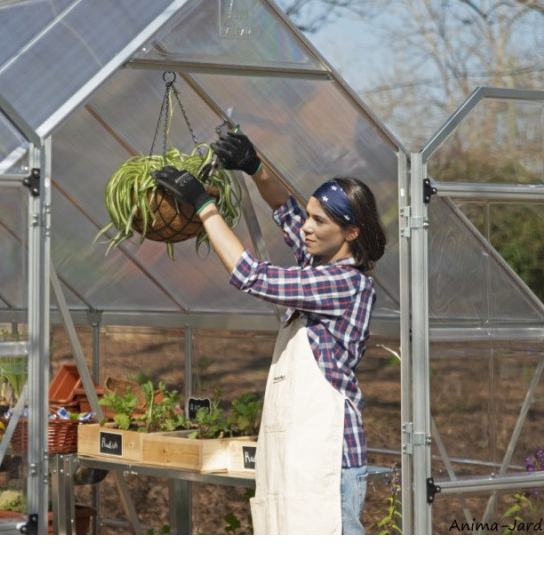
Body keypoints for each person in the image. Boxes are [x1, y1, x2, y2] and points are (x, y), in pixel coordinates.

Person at [152, 129, 386, 535]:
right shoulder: (319, 264)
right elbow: (284, 209)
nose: (307, 227)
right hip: (299, 452)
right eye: (310, 216)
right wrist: (254, 165)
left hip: (329, 459)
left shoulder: (343, 284)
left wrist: (205, 207)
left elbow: (251, 275)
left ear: (351, 233)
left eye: (319, 221)